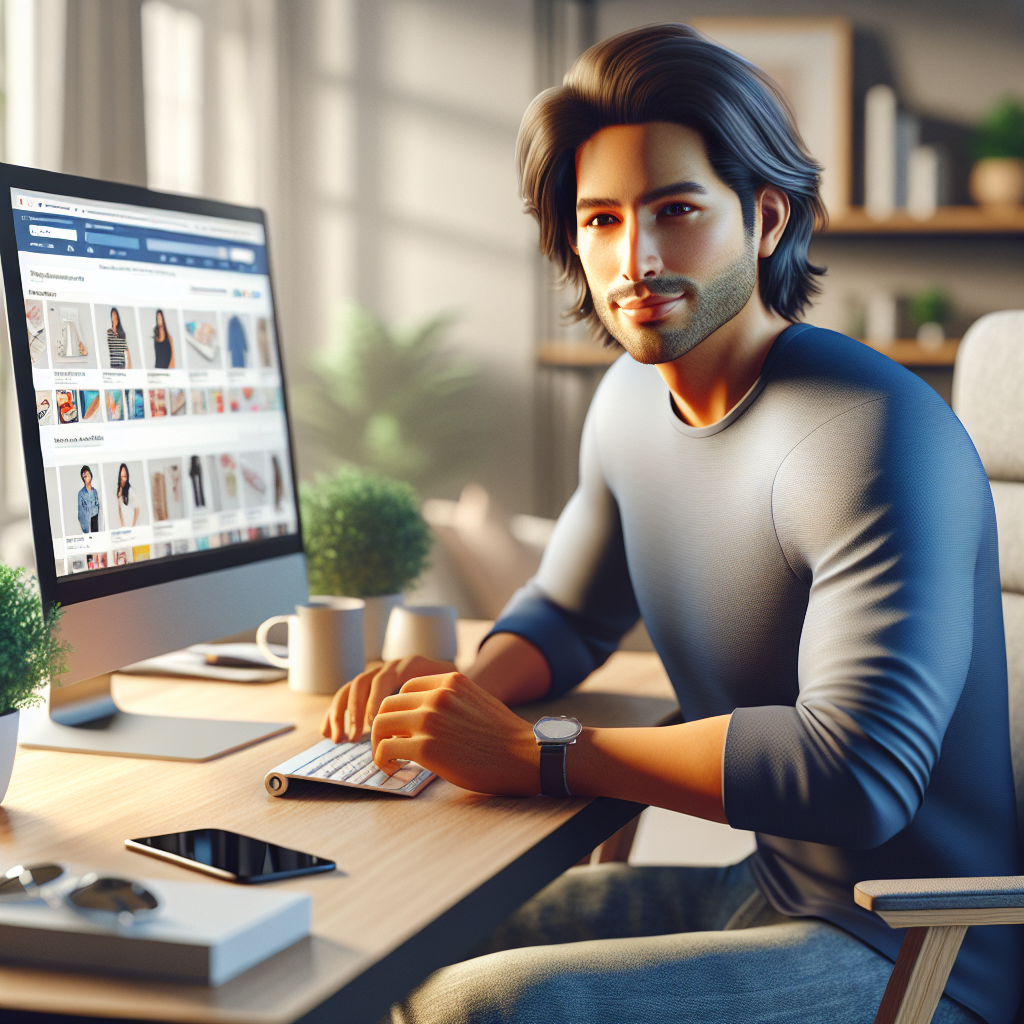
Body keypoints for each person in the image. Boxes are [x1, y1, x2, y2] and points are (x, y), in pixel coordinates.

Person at [321, 25, 1020, 1024]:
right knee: (378, 944)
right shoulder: (627, 402)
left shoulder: (869, 435)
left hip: (915, 948)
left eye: (675, 211)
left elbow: (857, 774)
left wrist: (535, 752)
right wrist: (452, 705)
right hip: (769, 889)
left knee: (480, 1007)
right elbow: (568, 610)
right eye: (599, 220)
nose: (634, 259)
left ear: (766, 218)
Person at [115, 463, 140, 528]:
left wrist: (133, 524)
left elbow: (137, 508)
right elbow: (119, 509)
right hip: (124, 526)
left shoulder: (130, 490)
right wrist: (122, 524)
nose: (124, 473)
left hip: (131, 524)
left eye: (125, 471)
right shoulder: (119, 491)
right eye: (122, 471)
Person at [77, 465, 100, 533]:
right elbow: (81, 513)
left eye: (87, 474)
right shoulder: (81, 493)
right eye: (84, 475)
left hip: (96, 523)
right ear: (82, 478)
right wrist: (86, 529)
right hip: (87, 525)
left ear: (90, 476)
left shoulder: (95, 491)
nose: (86, 476)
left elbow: (97, 507)